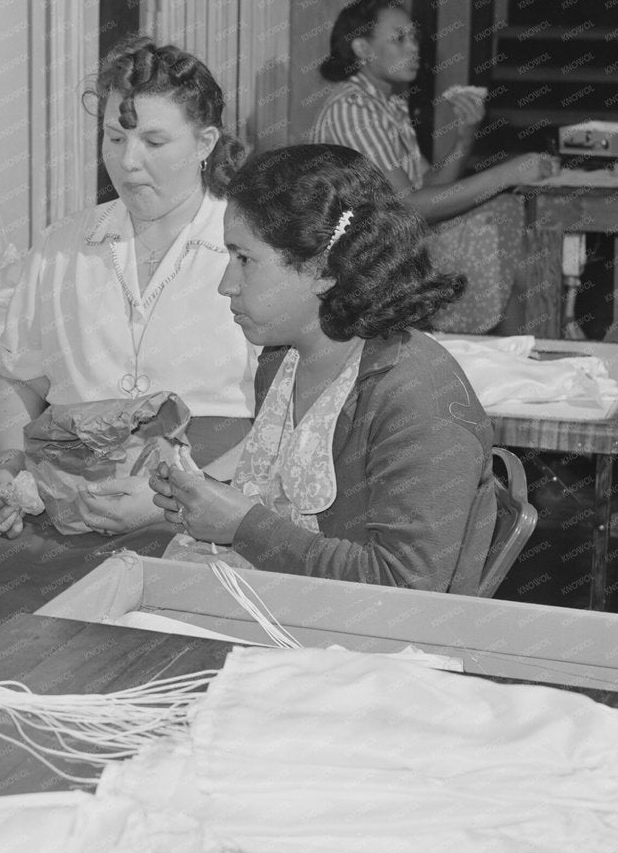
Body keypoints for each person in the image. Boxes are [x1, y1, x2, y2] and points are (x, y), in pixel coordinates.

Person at [0, 38, 256, 639]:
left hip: (209, 489)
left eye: (154, 142)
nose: (128, 161)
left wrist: (186, 492)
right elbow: (18, 380)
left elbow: (290, 406)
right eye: (114, 137)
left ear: (206, 144)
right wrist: (10, 469)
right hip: (68, 494)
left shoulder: (249, 248)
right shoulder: (63, 245)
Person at [149, 144, 497, 593]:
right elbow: (286, 502)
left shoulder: (416, 396)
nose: (226, 284)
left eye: (245, 260)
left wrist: (242, 525)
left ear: (324, 270)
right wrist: (204, 500)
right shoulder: (282, 361)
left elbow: (405, 588)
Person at [312, 0, 558, 333]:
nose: (414, 48)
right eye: (399, 39)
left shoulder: (388, 104)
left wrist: (464, 137)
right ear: (363, 48)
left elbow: (429, 189)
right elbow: (409, 208)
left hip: (397, 246)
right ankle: (521, 350)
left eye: (413, 37)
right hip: (364, 264)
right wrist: (508, 173)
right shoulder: (353, 109)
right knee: (507, 238)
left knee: (515, 235)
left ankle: (522, 352)